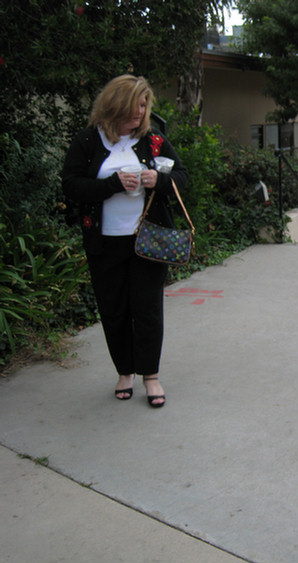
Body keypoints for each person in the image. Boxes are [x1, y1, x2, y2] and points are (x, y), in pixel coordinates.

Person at [62, 74, 188, 407]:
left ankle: (151, 376)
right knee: (114, 310)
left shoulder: (153, 140)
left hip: (147, 239)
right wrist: (113, 185)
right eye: (134, 106)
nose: (140, 113)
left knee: (147, 310)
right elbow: (71, 185)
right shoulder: (88, 141)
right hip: (104, 243)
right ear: (114, 105)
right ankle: (125, 372)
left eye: (144, 106)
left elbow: (181, 177)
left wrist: (157, 180)